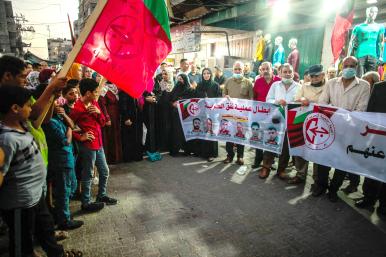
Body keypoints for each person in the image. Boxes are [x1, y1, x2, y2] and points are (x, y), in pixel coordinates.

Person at [0, 85, 81, 257]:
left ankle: (56, 253)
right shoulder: (6, 140)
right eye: (28, 105)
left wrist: (52, 95)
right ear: (15, 108)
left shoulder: (23, 126)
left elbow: (43, 116)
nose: (32, 108)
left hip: (36, 196)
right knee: (22, 244)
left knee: (46, 230)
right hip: (20, 203)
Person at [318, 56, 370, 202]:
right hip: (329, 127)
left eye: (352, 66)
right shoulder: (331, 83)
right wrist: (343, 112)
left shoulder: (364, 85)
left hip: (349, 130)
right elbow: (322, 102)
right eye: (346, 65)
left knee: (342, 161)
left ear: (356, 67)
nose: (348, 68)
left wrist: (337, 112)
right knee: (323, 158)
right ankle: (321, 185)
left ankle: (333, 189)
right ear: (341, 67)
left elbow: (361, 110)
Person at [69, 78, 118, 211]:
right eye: (95, 91)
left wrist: (98, 113)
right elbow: (68, 127)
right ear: (88, 92)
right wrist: (80, 136)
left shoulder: (94, 103)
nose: (97, 94)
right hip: (88, 146)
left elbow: (102, 123)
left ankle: (101, 195)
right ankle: (85, 203)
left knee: (104, 171)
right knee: (88, 174)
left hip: (99, 143)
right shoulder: (77, 108)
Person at [42, 102, 83, 230]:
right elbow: (65, 140)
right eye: (54, 103)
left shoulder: (59, 117)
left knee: (72, 186)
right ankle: (64, 220)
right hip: (60, 160)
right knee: (64, 190)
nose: (58, 105)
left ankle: (62, 213)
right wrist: (70, 128)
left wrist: (65, 115)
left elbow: (73, 125)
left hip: (68, 157)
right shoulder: (49, 122)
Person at [260, 63, 300, 179]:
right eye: (285, 72)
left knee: (286, 147)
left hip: (291, 121)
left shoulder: (299, 87)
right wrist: (277, 101)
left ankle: (281, 170)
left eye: (290, 72)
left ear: (293, 73)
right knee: (270, 142)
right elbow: (268, 99)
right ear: (280, 73)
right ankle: (266, 167)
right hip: (275, 119)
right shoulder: (275, 85)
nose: (287, 74)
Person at [289, 64, 327, 185]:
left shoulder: (329, 86)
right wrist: (302, 99)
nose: (314, 78)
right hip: (304, 120)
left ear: (323, 74)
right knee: (301, 146)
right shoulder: (304, 86)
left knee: (319, 149)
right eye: (312, 76)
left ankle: (317, 179)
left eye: (317, 75)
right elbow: (296, 99)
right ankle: (300, 174)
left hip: (322, 123)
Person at [354, 80, 386, 218]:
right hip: (377, 136)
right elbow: (369, 112)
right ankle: (368, 198)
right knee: (373, 168)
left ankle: (384, 206)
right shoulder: (379, 87)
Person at [223, 61, 254, 165]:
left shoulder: (248, 82)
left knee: (241, 135)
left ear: (243, 70)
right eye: (236, 69)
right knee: (229, 135)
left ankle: (240, 157)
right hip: (230, 114)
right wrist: (225, 97)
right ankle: (229, 155)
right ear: (233, 70)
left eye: (239, 69)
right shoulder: (228, 81)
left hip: (242, 114)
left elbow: (251, 98)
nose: (237, 71)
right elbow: (223, 96)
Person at [252, 62, 281, 169]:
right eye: (262, 69)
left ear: (272, 69)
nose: (265, 71)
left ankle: (269, 162)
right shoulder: (258, 81)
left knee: (272, 136)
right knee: (259, 136)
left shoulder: (278, 81)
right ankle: (258, 160)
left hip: (275, 114)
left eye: (267, 68)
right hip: (260, 113)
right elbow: (254, 97)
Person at [348, 6, 384, 77]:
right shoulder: (358, 27)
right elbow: (351, 43)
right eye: (371, 12)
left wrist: (381, 56)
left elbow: (380, 43)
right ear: (367, 12)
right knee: (359, 76)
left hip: (373, 55)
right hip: (360, 55)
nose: (373, 14)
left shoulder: (380, 27)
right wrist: (348, 57)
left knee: (371, 77)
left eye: (375, 12)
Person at [195, 68, 221, 161]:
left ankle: (211, 153)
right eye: (204, 73)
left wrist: (211, 102)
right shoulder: (200, 85)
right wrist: (203, 96)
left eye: (208, 73)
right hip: (202, 111)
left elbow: (219, 98)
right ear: (202, 75)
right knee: (203, 131)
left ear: (211, 74)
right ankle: (203, 152)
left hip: (212, 112)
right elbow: (196, 96)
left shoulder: (215, 85)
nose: (206, 75)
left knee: (211, 131)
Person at [169, 73, 195, 156]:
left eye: (181, 79)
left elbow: (192, 101)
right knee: (176, 131)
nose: (180, 81)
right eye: (178, 79)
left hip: (185, 114)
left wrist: (181, 103)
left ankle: (187, 150)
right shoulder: (175, 89)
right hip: (176, 114)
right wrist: (173, 103)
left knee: (185, 131)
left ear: (185, 80)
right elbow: (170, 99)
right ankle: (175, 150)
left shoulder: (190, 90)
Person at [98, 81, 122, 164]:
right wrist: (107, 117)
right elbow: (102, 104)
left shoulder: (116, 87)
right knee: (110, 135)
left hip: (117, 114)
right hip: (110, 114)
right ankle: (111, 158)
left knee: (116, 134)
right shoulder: (104, 88)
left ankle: (117, 156)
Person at [119, 91, 144, 162]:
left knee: (137, 136)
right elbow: (122, 105)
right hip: (129, 117)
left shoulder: (135, 89)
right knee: (128, 137)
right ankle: (129, 157)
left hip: (137, 116)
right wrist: (126, 117)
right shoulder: (124, 91)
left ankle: (137, 155)